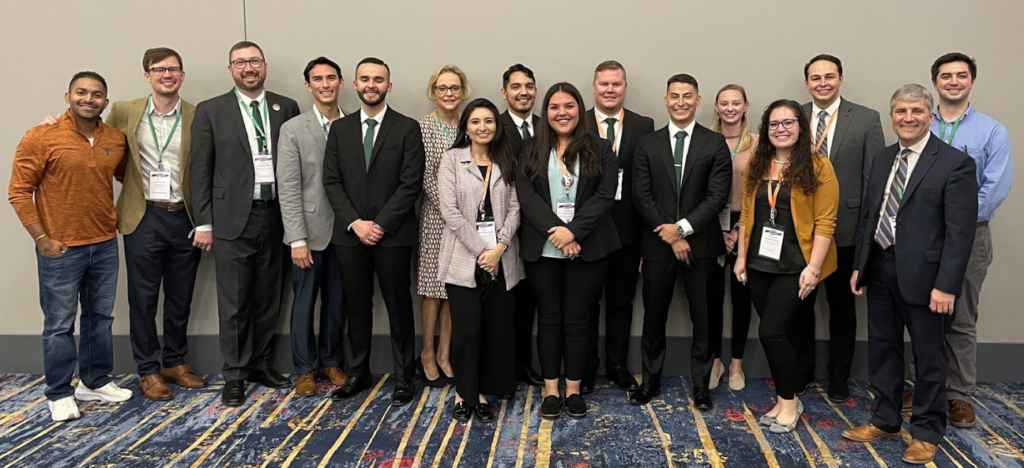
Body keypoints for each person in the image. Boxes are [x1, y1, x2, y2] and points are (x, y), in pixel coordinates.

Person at [842, 84, 977, 465]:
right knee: (883, 350)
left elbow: (960, 232)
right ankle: (884, 419)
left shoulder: (954, 163)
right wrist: (860, 266)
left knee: (929, 356)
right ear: (892, 116)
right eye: (900, 111)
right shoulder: (885, 158)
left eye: (916, 111)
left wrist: (947, 285)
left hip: (927, 278)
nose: (908, 118)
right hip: (882, 267)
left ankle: (926, 432)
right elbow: (871, 215)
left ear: (930, 115)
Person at [899, 53, 1014, 427]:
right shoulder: (918, 125)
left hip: (970, 236)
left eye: (961, 75)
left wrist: (956, 223)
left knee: (961, 317)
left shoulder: (991, 132)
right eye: (945, 76)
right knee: (922, 316)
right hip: (921, 237)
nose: (953, 81)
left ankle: (959, 395)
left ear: (971, 82)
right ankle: (924, 385)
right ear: (935, 83)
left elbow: (995, 187)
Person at [8, 71, 130, 421]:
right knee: (60, 323)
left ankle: (93, 381)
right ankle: (59, 391)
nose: (88, 99)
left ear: (105, 102)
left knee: (100, 320)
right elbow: (18, 191)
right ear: (68, 96)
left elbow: (123, 175)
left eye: (96, 94)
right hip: (60, 248)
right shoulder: (41, 136)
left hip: (104, 244)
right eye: (81, 92)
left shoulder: (115, 139)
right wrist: (41, 238)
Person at [190, 41, 301, 406]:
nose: (248, 67)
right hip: (231, 219)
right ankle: (234, 373)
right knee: (235, 301)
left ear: (265, 66)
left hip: (276, 216)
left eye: (254, 61)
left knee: (270, 297)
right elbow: (200, 169)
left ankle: (260, 363)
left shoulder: (286, 107)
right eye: (240, 62)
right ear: (231, 69)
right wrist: (203, 222)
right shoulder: (210, 111)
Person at [323, 57, 424, 406]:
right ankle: (358, 372)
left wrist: (379, 224)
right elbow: (332, 182)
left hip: (393, 235)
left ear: (388, 86)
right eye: (365, 78)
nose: (371, 84)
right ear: (355, 84)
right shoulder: (339, 129)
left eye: (378, 79)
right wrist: (356, 223)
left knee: (399, 307)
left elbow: (411, 184)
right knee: (356, 307)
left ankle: (404, 376)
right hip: (350, 235)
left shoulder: (407, 128)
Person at [733, 99, 839, 433]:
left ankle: (790, 404)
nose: (781, 129)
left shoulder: (819, 167)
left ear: (801, 126)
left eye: (788, 122)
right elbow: (748, 215)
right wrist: (740, 258)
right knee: (778, 333)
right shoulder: (757, 164)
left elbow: (826, 222)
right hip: (760, 263)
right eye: (774, 124)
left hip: (798, 264)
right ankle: (783, 398)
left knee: (772, 331)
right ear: (766, 130)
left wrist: (814, 269)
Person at [516, 82, 619, 420]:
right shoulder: (531, 147)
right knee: (548, 320)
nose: (562, 113)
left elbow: (605, 196)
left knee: (578, 321)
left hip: (588, 248)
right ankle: (549, 390)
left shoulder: (602, 148)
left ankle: (572, 390)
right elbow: (527, 196)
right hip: (543, 250)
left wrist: (573, 231)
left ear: (580, 109)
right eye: (555, 107)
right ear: (546, 113)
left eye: (569, 106)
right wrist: (557, 233)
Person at [631, 74, 731, 409]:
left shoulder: (714, 143)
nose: (681, 102)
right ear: (666, 100)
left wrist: (684, 229)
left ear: (698, 100)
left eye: (687, 96)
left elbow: (717, 197)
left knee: (704, 318)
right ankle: (651, 381)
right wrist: (671, 235)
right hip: (658, 245)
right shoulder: (648, 143)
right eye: (674, 96)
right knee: (653, 317)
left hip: (702, 245)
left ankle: (702, 386)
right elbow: (641, 196)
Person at [795, 54, 886, 402]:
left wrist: (866, 236)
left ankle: (838, 376)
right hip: (802, 231)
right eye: (815, 78)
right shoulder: (794, 116)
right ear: (806, 83)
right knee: (800, 307)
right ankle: (803, 372)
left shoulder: (866, 119)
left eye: (829, 76)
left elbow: (872, 181)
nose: (822, 83)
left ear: (841, 79)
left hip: (846, 231)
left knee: (843, 310)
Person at [436, 98, 522, 422]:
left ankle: (482, 392)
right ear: (466, 127)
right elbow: (449, 211)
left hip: (502, 259)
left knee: (494, 329)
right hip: (463, 257)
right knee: (468, 331)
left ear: (497, 127)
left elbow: (516, 208)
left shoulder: (507, 158)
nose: (482, 127)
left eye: (489, 121)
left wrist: (499, 247)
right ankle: (464, 393)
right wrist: (481, 251)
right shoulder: (451, 159)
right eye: (475, 122)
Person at [277, 56, 352, 397]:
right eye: (318, 79)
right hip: (308, 233)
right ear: (308, 85)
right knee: (305, 304)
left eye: (331, 78)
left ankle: (330, 361)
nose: (325, 84)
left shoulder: (354, 125)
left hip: (346, 233)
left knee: (337, 303)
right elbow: (289, 187)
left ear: (341, 83)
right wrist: (296, 239)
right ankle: (305, 369)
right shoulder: (293, 129)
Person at [582, 60, 654, 394]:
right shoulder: (576, 123)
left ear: (625, 87)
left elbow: (647, 185)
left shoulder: (643, 125)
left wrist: (643, 244)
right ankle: (584, 370)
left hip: (627, 232)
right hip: (587, 231)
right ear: (594, 87)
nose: (610, 90)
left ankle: (617, 365)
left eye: (616, 84)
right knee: (585, 304)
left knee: (621, 304)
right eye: (604, 84)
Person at [417, 64, 470, 387]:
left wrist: (465, 217)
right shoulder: (423, 128)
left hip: (466, 223)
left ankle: (445, 354)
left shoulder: (470, 125)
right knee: (432, 291)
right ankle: (426, 352)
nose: (449, 93)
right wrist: (452, 212)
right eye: (442, 88)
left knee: (455, 291)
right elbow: (423, 176)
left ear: (463, 92)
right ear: (433, 92)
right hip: (436, 220)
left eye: (454, 88)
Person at [708, 84, 758, 392]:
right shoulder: (706, 141)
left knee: (742, 299)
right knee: (710, 299)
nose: (729, 108)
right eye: (724, 103)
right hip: (711, 226)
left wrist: (739, 229)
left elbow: (762, 190)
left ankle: (736, 362)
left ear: (745, 106)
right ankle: (715, 361)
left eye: (735, 103)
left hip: (746, 226)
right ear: (716, 107)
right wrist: (718, 230)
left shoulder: (757, 143)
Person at [498, 63, 544, 387]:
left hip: (540, 231)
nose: (523, 92)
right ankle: (504, 370)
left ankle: (525, 366)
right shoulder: (493, 126)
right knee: (503, 305)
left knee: (530, 303)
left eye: (528, 86)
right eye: (516, 86)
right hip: (501, 231)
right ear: (504, 93)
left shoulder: (547, 127)